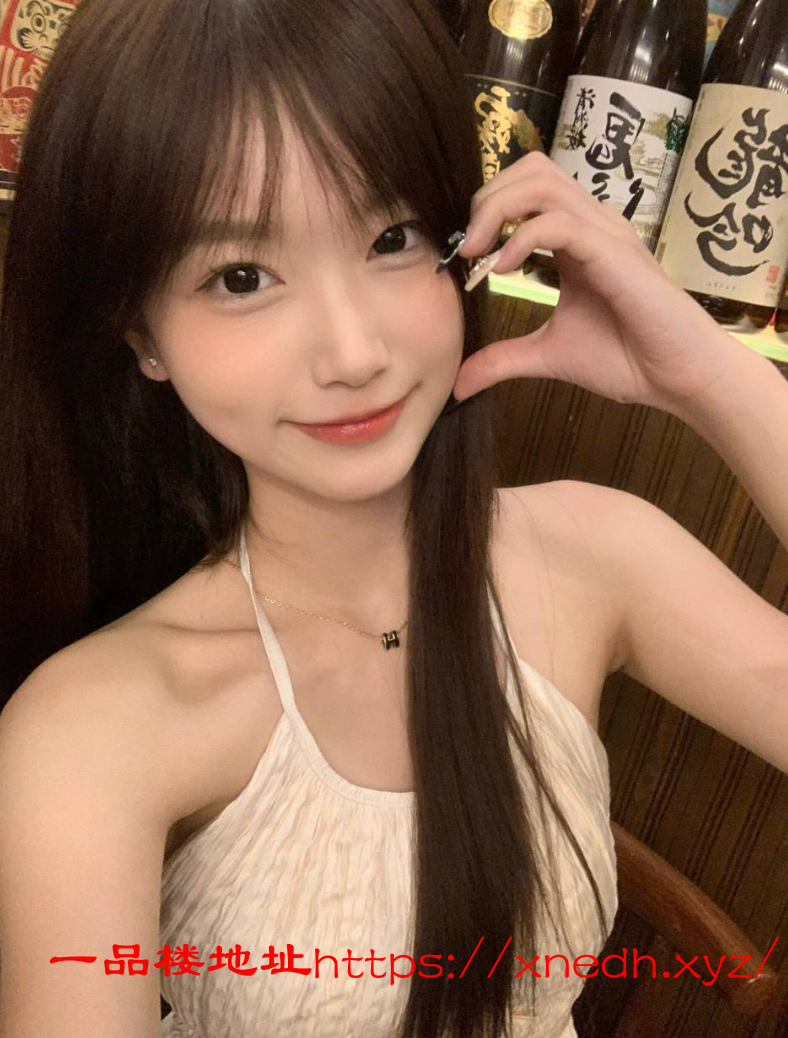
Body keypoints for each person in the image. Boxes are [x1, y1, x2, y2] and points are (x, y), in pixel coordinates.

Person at [0, 1, 787, 1037]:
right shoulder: (94, 728)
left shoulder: (592, 553)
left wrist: (711, 378)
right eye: (242, 277)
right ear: (141, 333)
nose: (353, 352)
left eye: (391, 236)